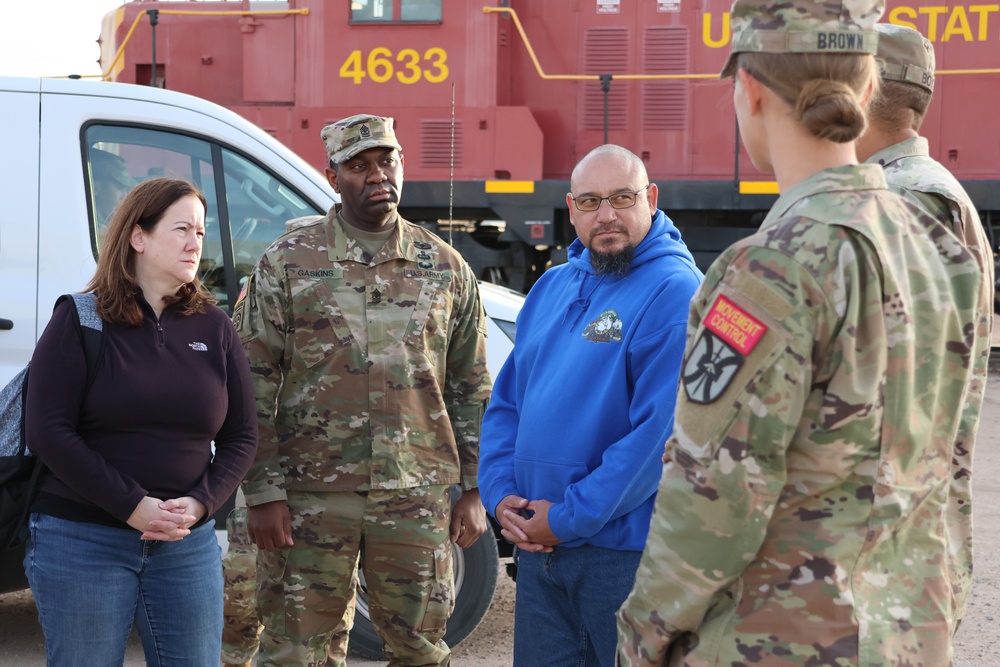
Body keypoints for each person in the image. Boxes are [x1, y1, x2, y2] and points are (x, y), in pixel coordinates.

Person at [616, 0, 985, 664]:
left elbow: (713, 498)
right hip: (907, 636)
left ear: (749, 90)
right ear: (869, 89)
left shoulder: (770, 267)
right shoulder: (942, 249)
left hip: (784, 641)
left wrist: (641, 633)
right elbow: (950, 466)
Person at [233, 113, 492, 667]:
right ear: (333, 177)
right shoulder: (289, 263)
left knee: (420, 649)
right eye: (359, 165)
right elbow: (252, 381)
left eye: (386, 160)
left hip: (415, 496)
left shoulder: (445, 267)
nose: (377, 175)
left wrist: (474, 488)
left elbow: (470, 387)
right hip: (310, 498)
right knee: (295, 652)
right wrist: (264, 492)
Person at [477, 144, 703, 667]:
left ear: (650, 199)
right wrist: (500, 494)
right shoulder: (553, 285)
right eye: (592, 201)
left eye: (622, 198)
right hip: (538, 552)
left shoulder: (675, 292)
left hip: (622, 559)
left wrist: (570, 517)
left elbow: (658, 437)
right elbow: (508, 402)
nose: (607, 215)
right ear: (571, 207)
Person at [23, 177, 258, 665]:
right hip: (82, 539)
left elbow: (242, 436)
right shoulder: (79, 318)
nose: (196, 242)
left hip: (184, 546)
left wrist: (200, 503)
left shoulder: (215, 327)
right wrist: (131, 505)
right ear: (138, 237)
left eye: (201, 229)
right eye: (181, 229)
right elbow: (48, 430)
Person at [856, 23, 995, 630]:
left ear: (857, 90)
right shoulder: (919, 192)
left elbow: (887, 401)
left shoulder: (908, 201)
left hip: (887, 572)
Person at [90, 148, 136, 224]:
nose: (125, 196)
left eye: (126, 189)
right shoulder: (95, 230)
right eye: (120, 188)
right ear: (95, 188)